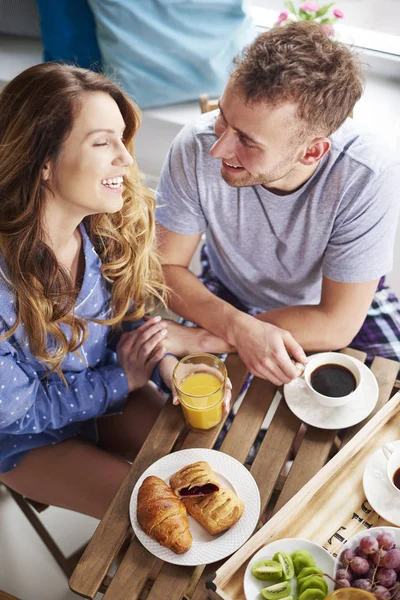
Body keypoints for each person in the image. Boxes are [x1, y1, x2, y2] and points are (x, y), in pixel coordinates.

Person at [0, 63, 227, 520]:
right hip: (27, 435)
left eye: (122, 138)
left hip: (113, 387)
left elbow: (127, 315)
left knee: (210, 470)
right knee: (150, 515)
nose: (125, 159)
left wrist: (162, 362)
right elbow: (16, 414)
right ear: (43, 162)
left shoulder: (104, 229)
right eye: (102, 143)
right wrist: (122, 379)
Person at [156, 21, 400, 386]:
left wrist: (210, 338)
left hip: (331, 308)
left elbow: (336, 323)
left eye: (247, 141)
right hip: (227, 296)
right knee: (196, 416)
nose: (217, 149)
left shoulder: (368, 173)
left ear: (312, 151)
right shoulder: (194, 145)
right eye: (224, 117)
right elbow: (165, 267)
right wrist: (240, 328)